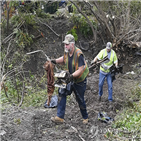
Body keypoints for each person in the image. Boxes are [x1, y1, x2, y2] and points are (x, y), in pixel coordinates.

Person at [50, 34, 89, 124]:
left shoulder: (79, 54)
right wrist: (54, 61)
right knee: (62, 92)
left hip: (79, 80)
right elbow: (64, 59)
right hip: (70, 78)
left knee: (80, 99)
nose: (65, 46)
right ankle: (60, 117)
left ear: (72, 44)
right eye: (65, 44)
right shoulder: (67, 52)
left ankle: (85, 117)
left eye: (67, 44)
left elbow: (80, 70)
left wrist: (71, 76)